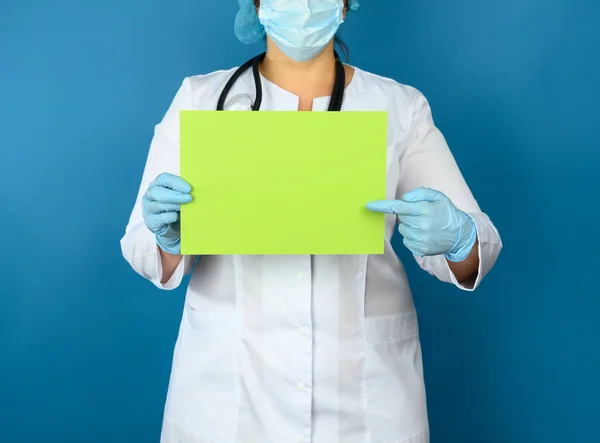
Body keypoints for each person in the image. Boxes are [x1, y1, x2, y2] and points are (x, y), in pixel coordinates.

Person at [120, 0, 503, 442]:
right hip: (226, 399)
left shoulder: (399, 108)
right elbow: (143, 248)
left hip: (364, 400)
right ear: (257, 4)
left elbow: (478, 250)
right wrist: (167, 237)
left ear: (345, 3)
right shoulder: (201, 100)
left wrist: (456, 236)